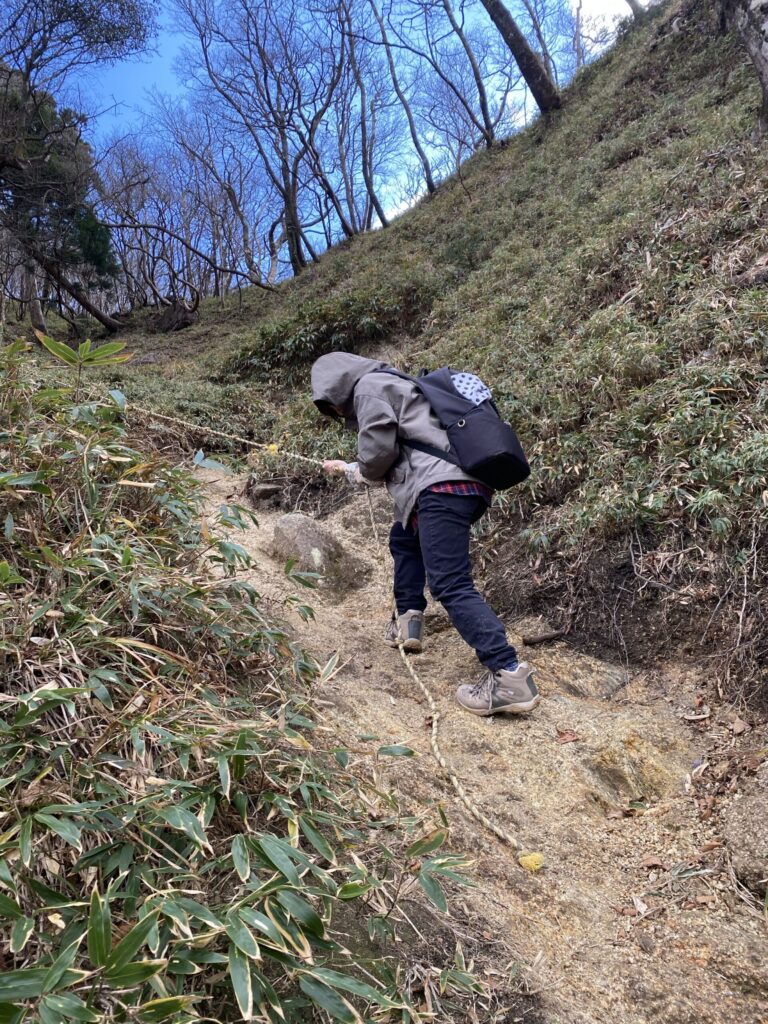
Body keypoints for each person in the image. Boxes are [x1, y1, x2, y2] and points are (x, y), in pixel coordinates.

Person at [311, 351, 540, 717]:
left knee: (450, 583)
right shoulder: (397, 383)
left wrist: (359, 471)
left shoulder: (368, 387)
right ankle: (409, 620)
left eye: (330, 405)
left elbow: (378, 450)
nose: (336, 413)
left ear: (335, 387)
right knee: (404, 538)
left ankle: (508, 674)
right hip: (460, 484)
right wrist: (353, 467)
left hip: (439, 489)